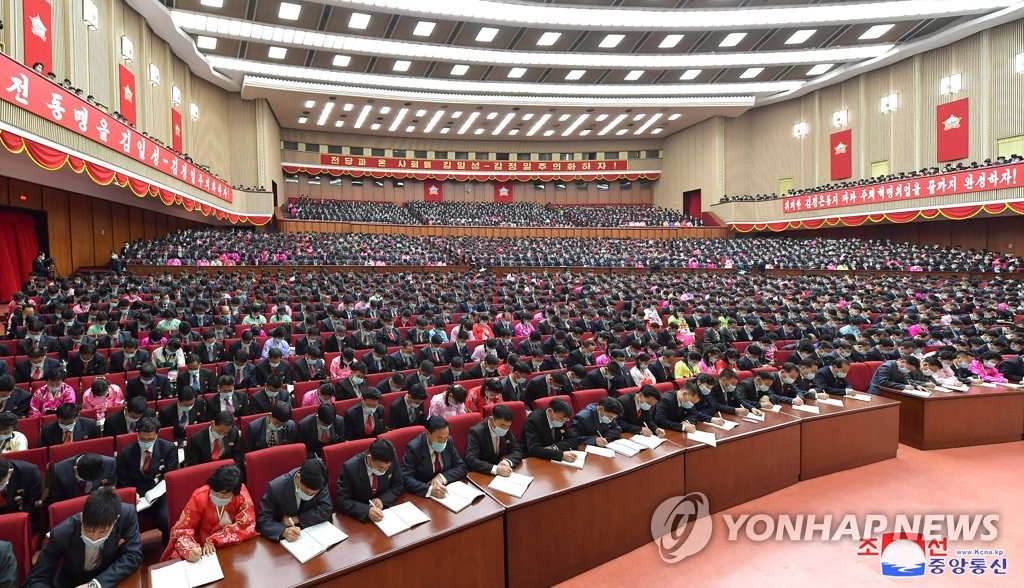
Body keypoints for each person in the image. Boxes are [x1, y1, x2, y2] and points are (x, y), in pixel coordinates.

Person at [24, 487, 142, 588]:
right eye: (89, 530)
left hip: (109, 578)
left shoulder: (127, 515)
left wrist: (95, 584)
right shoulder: (61, 533)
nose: (94, 538)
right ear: (82, 517)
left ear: (115, 521)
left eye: (103, 532)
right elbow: (34, 580)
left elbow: (133, 555)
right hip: (73, 582)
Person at [161, 465, 258, 562]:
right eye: (215, 492)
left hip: (233, 547)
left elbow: (247, 525)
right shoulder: (199, 497)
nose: (219, 497)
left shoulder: (241, 495)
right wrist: (190, 549)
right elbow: (182, 529)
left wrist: (215, 539)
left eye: (224, 496)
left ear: (234, 494)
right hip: (203, 550)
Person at [116, 416, 178, 543]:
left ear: (157, 434)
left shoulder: (169, 448)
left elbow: (171, 476)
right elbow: (123, 480)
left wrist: (158, 492)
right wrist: (133, 493)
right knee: (127, 523)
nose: (146, 442)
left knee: (166, 519)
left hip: (160, 494)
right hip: (137, 496)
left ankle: (168, 550)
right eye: (142, 439)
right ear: (137, 433)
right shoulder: (126, 452)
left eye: (150, 439)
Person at [256, 459, 332, 543]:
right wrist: (283, 532)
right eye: (307, 492)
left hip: (310, 533)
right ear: (298, 478)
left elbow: (326, 509)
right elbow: (263, 520)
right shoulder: (276, 488)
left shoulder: (320, 480)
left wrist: (297, 519)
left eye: (314, 493)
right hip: (285, 540)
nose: (310, 495)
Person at [335, 438, 404, 522]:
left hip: (385, 513)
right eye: (380, 467)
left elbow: (399, 484)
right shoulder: (349, 468)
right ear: (369, 458)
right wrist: (367, 510)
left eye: (386, 468)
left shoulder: (391, 459)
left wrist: (382, 500)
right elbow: (342, 501)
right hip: (359, 520)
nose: (383, 471)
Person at [401, 416, 468, 498]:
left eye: (445, 438)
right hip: (423, 495)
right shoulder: (414, 448)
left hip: (446, 490)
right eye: (439, 438)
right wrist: (430, 490)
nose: (442, 442)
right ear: (427, 433)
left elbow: (461, 467)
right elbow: (405, 478)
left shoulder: (448, 441)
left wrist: (441, 477)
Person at [464, 404, 524, 476]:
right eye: (502, 426)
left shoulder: (506, 429)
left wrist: (507, 462)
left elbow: (516, 450)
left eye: (508, 426)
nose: (505, 429)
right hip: (482, 474)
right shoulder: (476, 432)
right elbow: (471, 459)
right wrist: (496, 469)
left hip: (501, 474)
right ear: (492, 420)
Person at [522, 398, 579, 462]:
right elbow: (534, 449)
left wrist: (554, 447)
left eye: (565, 420)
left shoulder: (560, 419)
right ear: (550, 411)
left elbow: (573, 439)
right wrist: (561, 455)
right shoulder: (534, 421)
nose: (562, 423)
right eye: (560, 419)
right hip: (531, 459)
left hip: (550, 459)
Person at [49, 453, 116, 504]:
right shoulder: (59, 470)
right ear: (75, 469)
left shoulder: (109, 464)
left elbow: (112, 487)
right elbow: (56, 500)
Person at [654, 383, 722, 432]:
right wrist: (683, 427)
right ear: (684, 394)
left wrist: (686, 422)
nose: (692, 405)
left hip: (676, 431)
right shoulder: (666, 399)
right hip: (663, 432)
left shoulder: (686, 400)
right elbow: (660, 420)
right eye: (692, 402)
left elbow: (694, 413)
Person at [0, 458, 42, 529]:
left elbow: (31, 506)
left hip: (21, 521)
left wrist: (8, 523)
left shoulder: (29, 472)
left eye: (1, 484)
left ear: (10, 471)